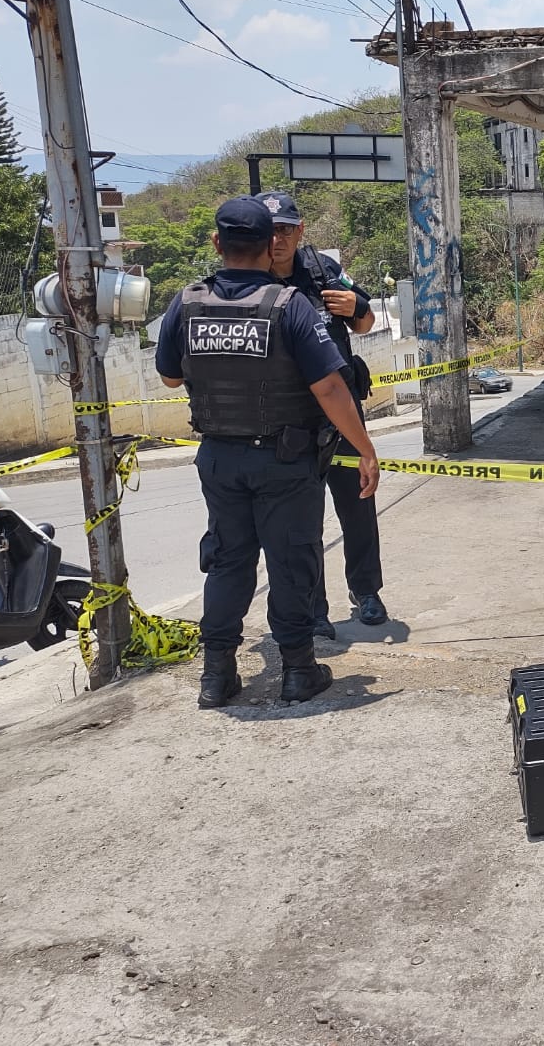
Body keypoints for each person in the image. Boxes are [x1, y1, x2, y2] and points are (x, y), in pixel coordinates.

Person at [156, 196, 380, 710]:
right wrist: (365, 449)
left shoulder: (186, 303)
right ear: (265, 246)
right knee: (290, 559)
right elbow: (328, 388)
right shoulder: (288, 305)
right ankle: (298, 671)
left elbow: (170, 375)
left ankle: (216, 676)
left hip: (218, 457)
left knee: (228, 562)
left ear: (217, 243)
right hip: (286, 456)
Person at [258, 191, 388, 635]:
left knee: (358, 505)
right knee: (302, 520)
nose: (278, 239)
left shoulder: (322, 271)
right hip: (288, 420)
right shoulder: (248, 280)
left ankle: (366, 591)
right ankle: (313, 607)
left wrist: (358, 308)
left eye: (286, 229)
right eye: (270, 229)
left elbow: (366, 323)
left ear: (300, 231)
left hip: (342, 416)